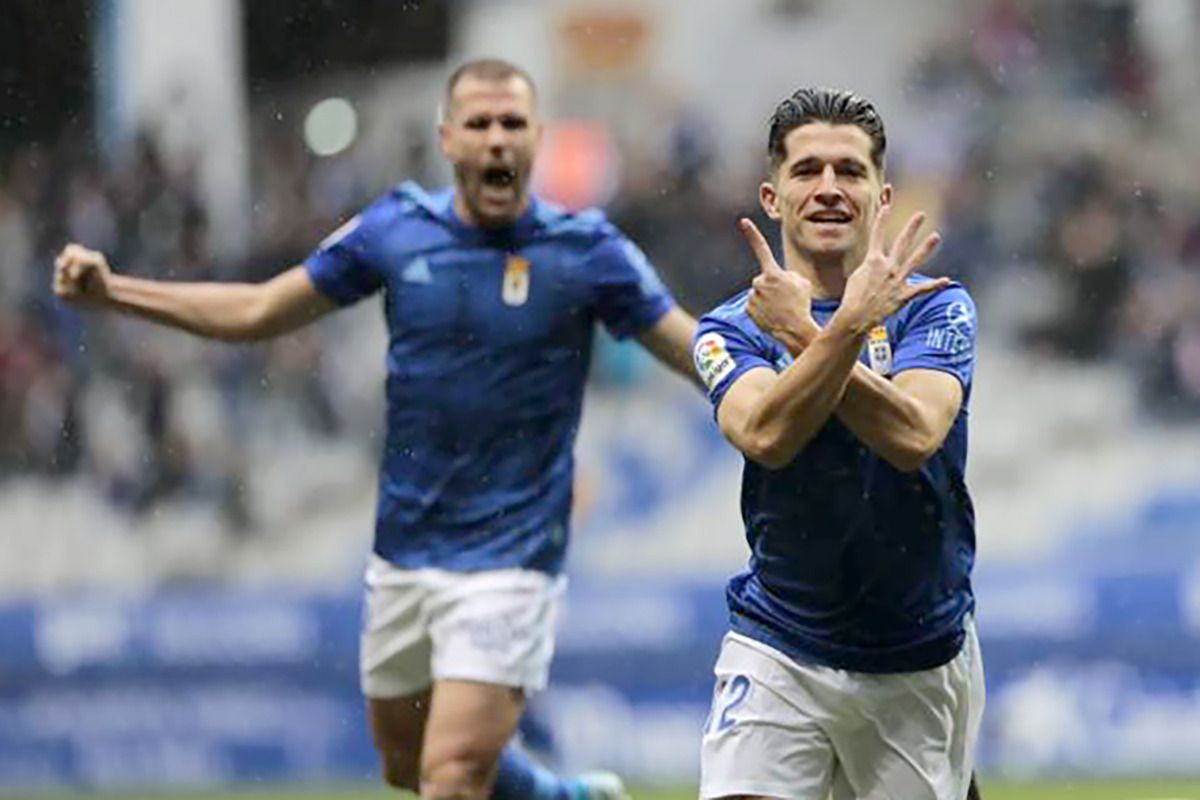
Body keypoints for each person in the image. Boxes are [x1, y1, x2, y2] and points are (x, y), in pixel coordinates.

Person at [53, 58, 697, 800]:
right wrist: (117, 293)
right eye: (479, 124)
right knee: (406, 765)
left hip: (513, 558)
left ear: (537, 138)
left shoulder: (588, 251)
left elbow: (694, 351)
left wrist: (806, 375)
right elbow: (262, 310)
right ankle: (569, 798)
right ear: (447, 139)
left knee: (451, 777)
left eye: (512, 123)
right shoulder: (397, 229)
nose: (496, 140)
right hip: (405, 549)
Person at [692, 87, 984, 800]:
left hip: (916, 653)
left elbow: (913, 435)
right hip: (779, 640)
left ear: (882, 197)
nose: (828, 188)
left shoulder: (938, 304)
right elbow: (766, 434)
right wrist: (838, 327)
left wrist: (813, 333)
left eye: (850, 172)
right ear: (772, 195)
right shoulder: (727, 329)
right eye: (807, 170)